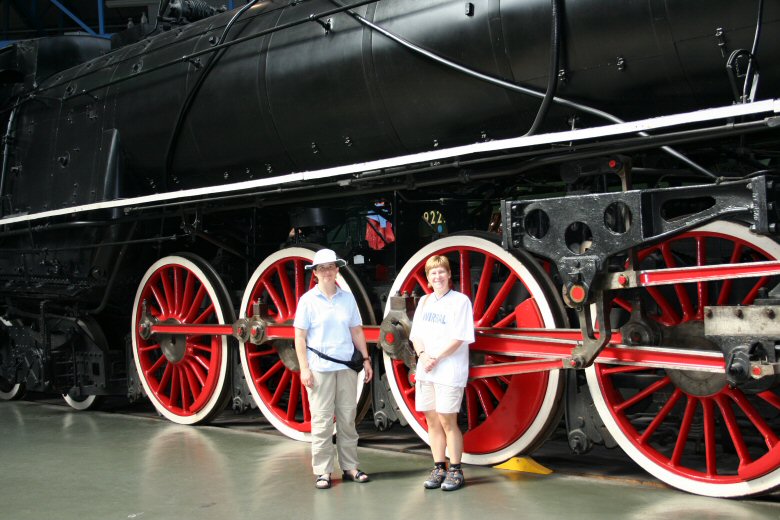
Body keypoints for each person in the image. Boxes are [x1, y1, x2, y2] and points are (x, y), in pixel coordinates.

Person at [294, 248, 373, 489]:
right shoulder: (307, 301)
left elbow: (356, 330)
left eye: (331, 267)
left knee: (348, 419)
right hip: (319, 369)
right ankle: (323, 471)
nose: (327, 272)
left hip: (346, 367)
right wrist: (304, 368)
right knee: (322, 421)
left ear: (337, 270)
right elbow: (299, 337)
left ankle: (350, 467)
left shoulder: (347, 298)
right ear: (315, 273)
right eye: (323, 268)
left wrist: (366, 359)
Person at [409, 254, 475, 491]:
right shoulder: (424, 302)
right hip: (426, 368)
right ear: (428, 279)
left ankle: (456, 469)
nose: (437, 277)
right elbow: (416, 335)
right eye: (433, 273)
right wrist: (423, 355)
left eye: (441, 272)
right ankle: (439, 466)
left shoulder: (460, 301)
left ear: (449, 275)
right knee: (432, 420)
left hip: (449, 369)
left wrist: (435, 357)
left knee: (448, 420)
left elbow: (459, 337)